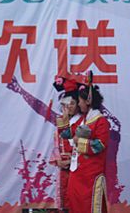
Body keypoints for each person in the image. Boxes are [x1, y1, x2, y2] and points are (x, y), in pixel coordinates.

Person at [66, 83, 110, 213]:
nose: (79, 104)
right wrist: (64, 118)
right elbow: (67, 134)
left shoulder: (101, 121)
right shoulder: (83, 120)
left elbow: (100, 145)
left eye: (80, 101)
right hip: (78, 173)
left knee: (90, 205)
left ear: (88, 101)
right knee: (74, 203)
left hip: (91, 174)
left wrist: (79, 142)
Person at [51, 81, 83, 212]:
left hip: (77, 167)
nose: (68, 107)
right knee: (63, 199)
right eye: (66, 103)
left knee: (76, 199)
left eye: (72, 103)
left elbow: (84, 145)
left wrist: (73, 161)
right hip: (62, 167)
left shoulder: (83, 121)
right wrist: (58, 159)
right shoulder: (61, 121)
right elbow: (56, 144)